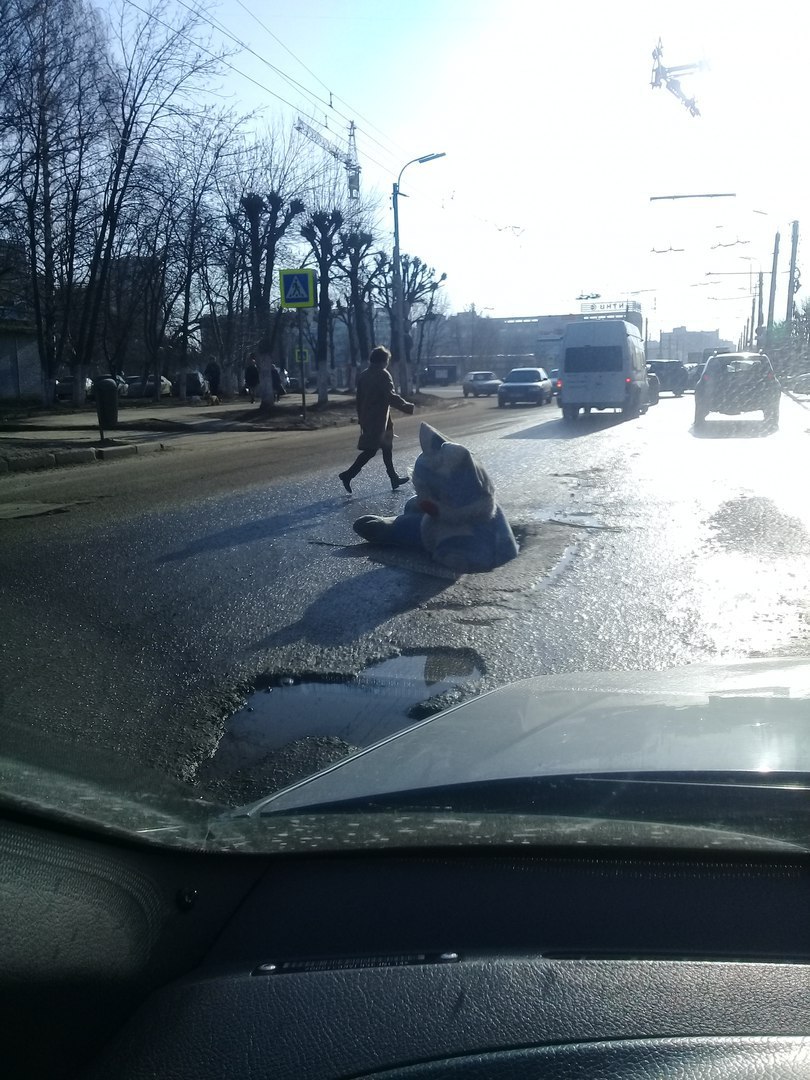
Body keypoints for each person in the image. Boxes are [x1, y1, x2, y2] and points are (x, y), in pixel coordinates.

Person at [339, 345, 415, 493]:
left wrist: (361, 418)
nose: (387, 363)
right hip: (379, 420)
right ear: (382, 361)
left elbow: (359, 399)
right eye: (387, 360)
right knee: (371, 450)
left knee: (387, 448)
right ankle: (348, 475)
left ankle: (393, 478)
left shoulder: (363, 374)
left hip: (372, 418)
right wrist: (407, 406)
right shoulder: (382, 374)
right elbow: (390, 396)